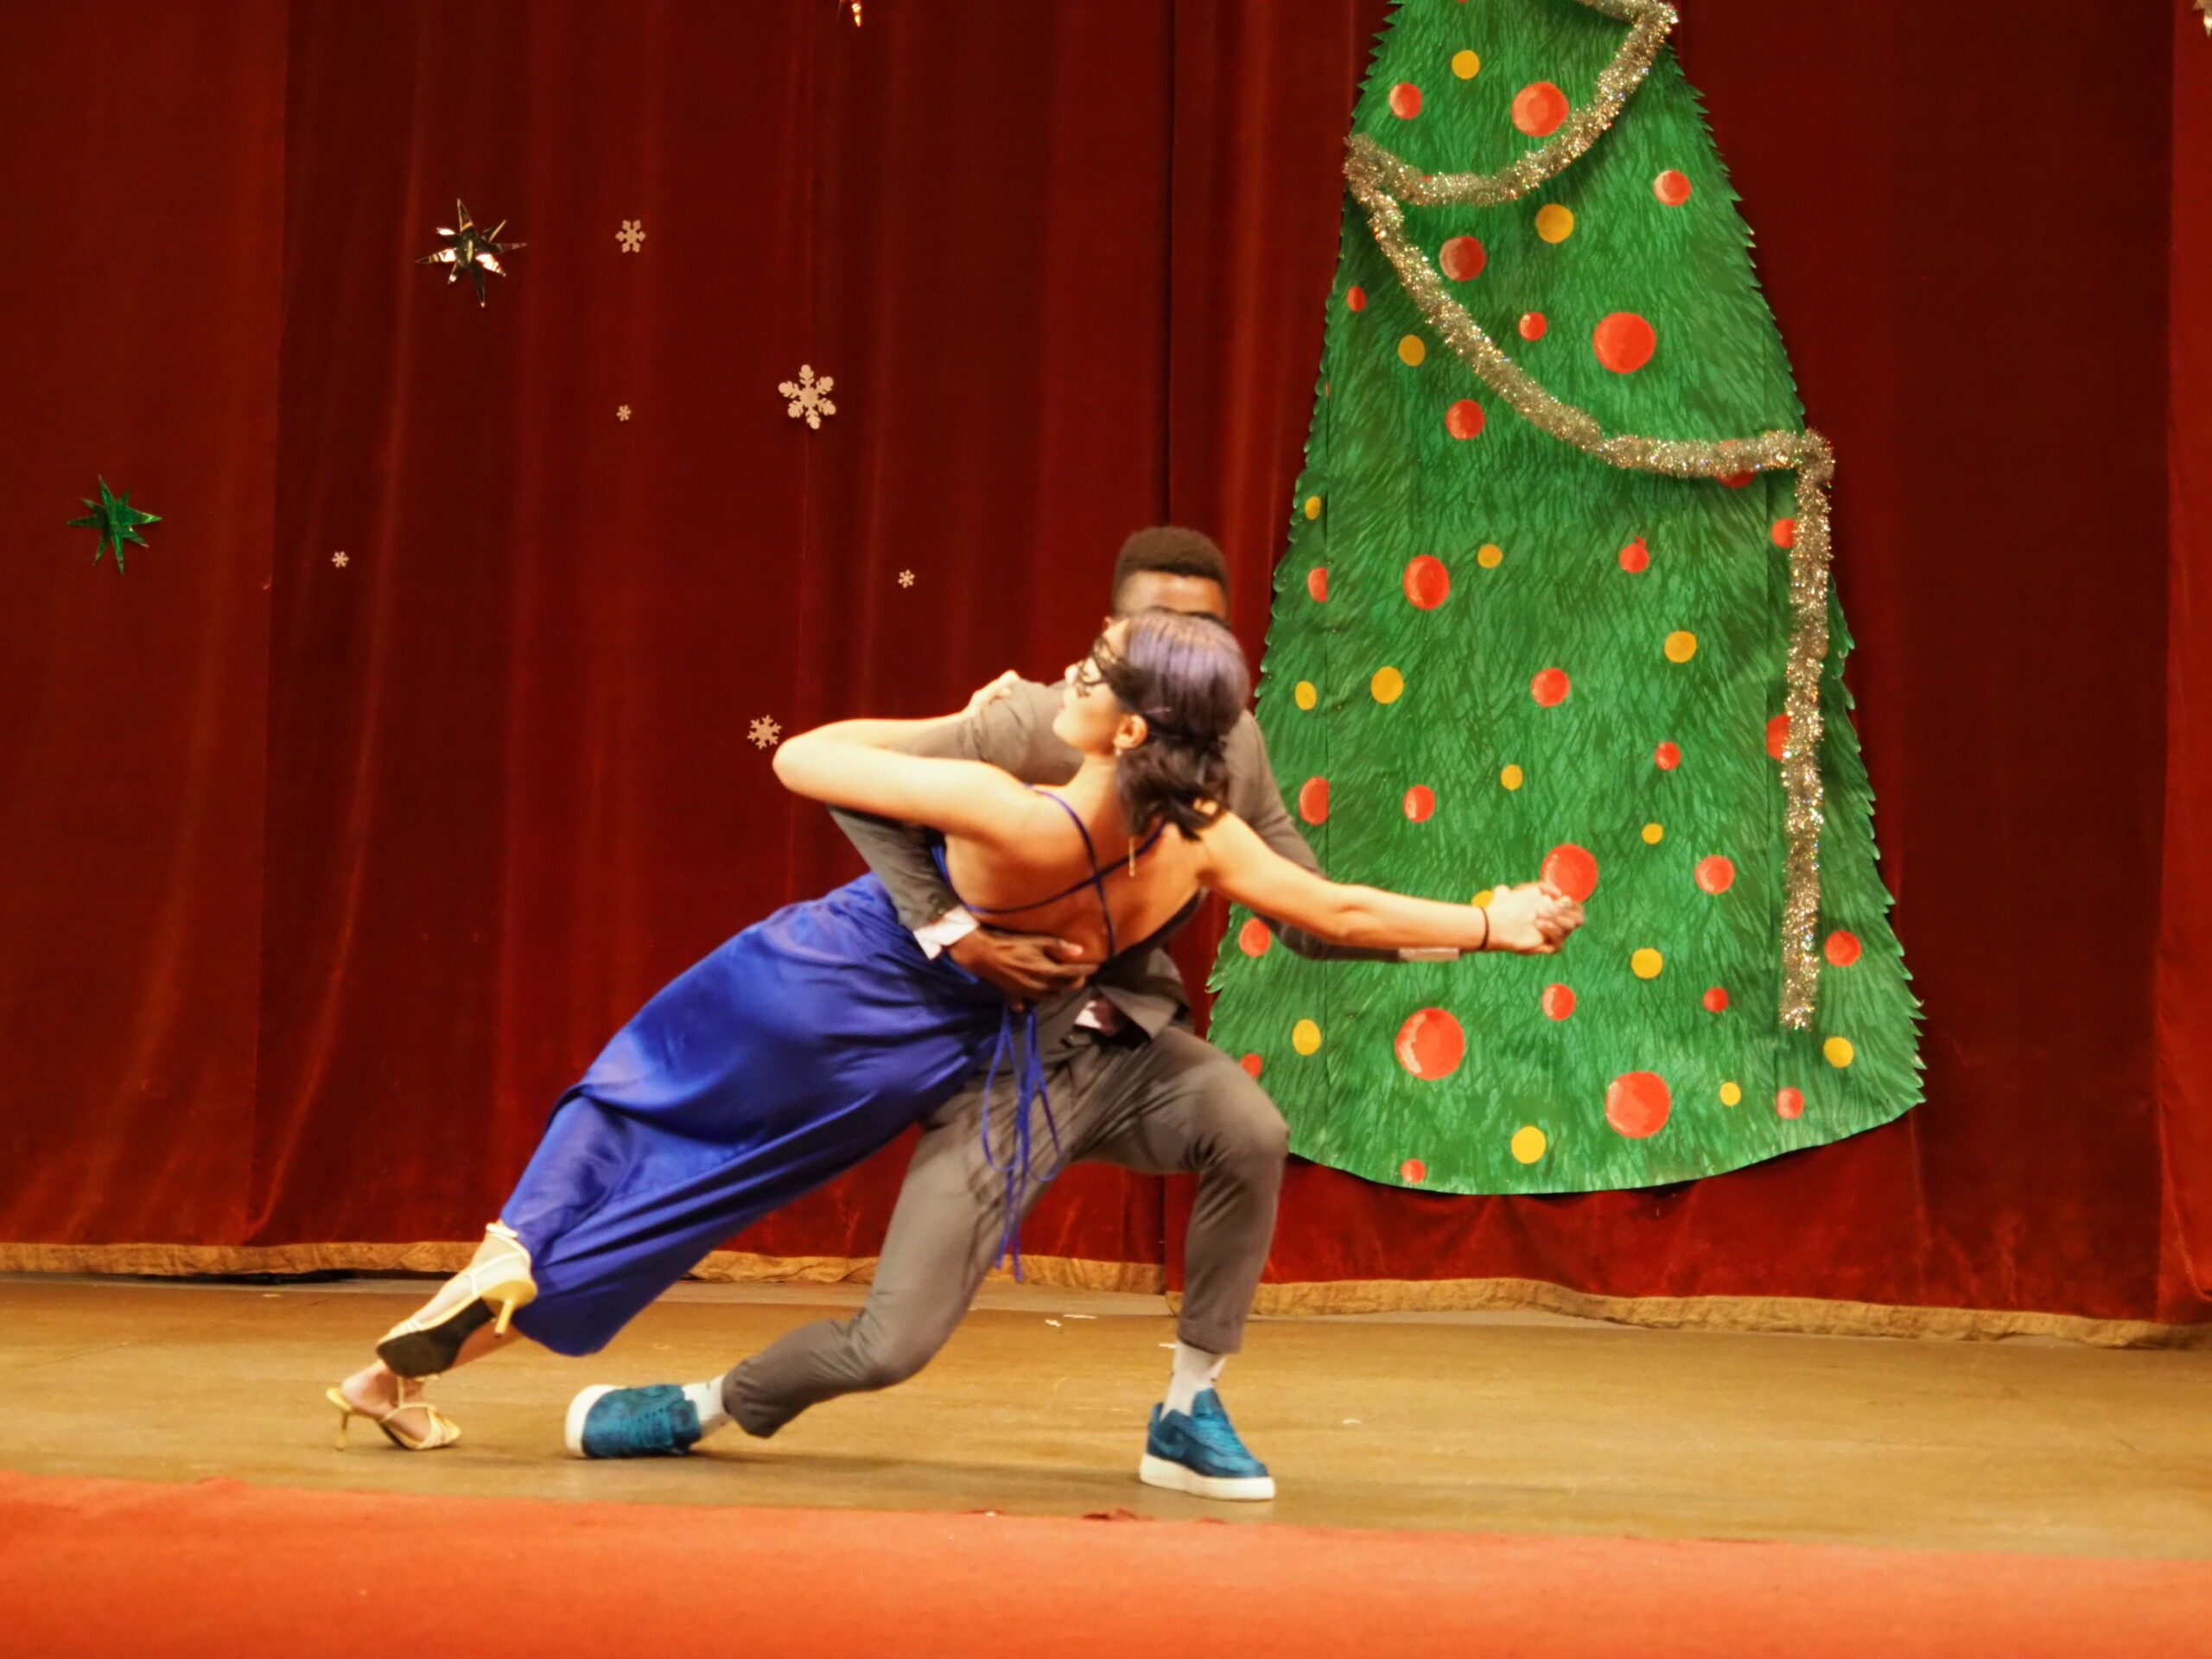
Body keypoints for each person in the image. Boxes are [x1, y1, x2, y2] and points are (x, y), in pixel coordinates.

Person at [326, 597, 1580, 1468]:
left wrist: (940, 734)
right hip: (911, 1015)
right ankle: (435, 1345)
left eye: (1092, 671)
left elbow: (804, 759)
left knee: (654, 1125)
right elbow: (1338, 910)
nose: (1066, 675)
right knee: (698, 1182)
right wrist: (1491, 922)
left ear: (1131, 729)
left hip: (838, 988)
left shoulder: (1005, 807)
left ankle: (463, 1303)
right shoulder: (1204, 840)